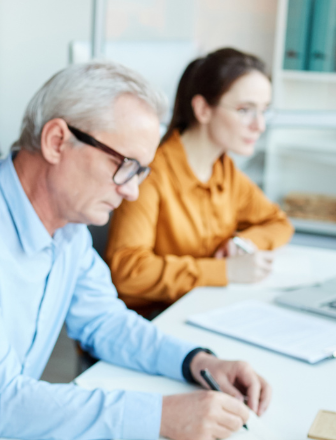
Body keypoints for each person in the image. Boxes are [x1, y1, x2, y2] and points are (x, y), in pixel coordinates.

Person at [0, 61, 272, 440]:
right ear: (57, 141)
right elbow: (1, 406)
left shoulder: (68, 225)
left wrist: (199, 362)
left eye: (141, 172)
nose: (131, 192)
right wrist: (161, 416)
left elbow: (105, 323)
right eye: (126, 166)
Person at [106, 48, 294, 318]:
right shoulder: (152, 174)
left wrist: (244, 243)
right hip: (152, 320)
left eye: (264, 111)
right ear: (203, 109)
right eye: (245, 110)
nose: (259, 125)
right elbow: (129, 272)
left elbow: (279, 223)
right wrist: (225, 271)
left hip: (203, 308)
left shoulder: (223, 171)